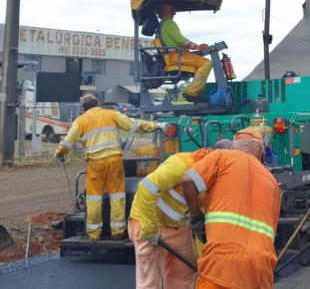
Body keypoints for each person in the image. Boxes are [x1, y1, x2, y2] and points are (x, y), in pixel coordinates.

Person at [54, 94, 170, 241]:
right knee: (117, 197)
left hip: (95, 164)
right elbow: (134, 125)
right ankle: (118, 232)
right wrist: (156, 126)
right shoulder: (112, 114)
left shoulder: (80, 121)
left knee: (94, 199)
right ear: (99, 103)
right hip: (114, 161)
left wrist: (59, 154)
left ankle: (94, 234)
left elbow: (67, 143)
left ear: (84, 109)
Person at [181, 128, 281, 289]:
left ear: (233, 147)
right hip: (260, 273)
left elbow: (188, 181)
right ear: (261, 155)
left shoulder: (223, 156)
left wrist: (196, 216)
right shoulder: (272, 182)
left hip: (221, 267)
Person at [127, 138, 231, 289]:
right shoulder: (182, 163)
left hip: (179, 228)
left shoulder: (217, 176)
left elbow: (201, 220)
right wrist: (149, 230)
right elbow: (146, 188)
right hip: (148, 223)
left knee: (184, 273)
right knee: (150, 279)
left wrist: (206, 264)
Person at [155, 2, 213, 103]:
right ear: (169, 11)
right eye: (172, 10)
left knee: (201, 65)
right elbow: (181, 41)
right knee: (207, 63)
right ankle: (191, 93)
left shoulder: (162, 25)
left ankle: (196, 94)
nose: (174, 13)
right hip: (177, 56)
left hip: (176, 55)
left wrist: (194, 51)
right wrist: (199, 46)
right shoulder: (169, 23)